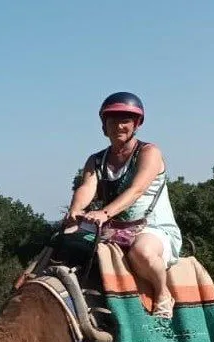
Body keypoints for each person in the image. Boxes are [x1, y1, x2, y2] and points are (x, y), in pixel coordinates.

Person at [65, 91, 183, 319]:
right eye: (113, 120)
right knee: (66, 241)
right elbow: (87, 187)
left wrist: (104, 212)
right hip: (112, 229)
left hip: (151, 228)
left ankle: (162, 294)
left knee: (143, 253)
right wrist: (75, 211)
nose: (119, 126)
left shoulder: (149, 152)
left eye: (125, 120)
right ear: (104, 124)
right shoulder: (97, 160)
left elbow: (136, 189)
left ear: (136, 124)